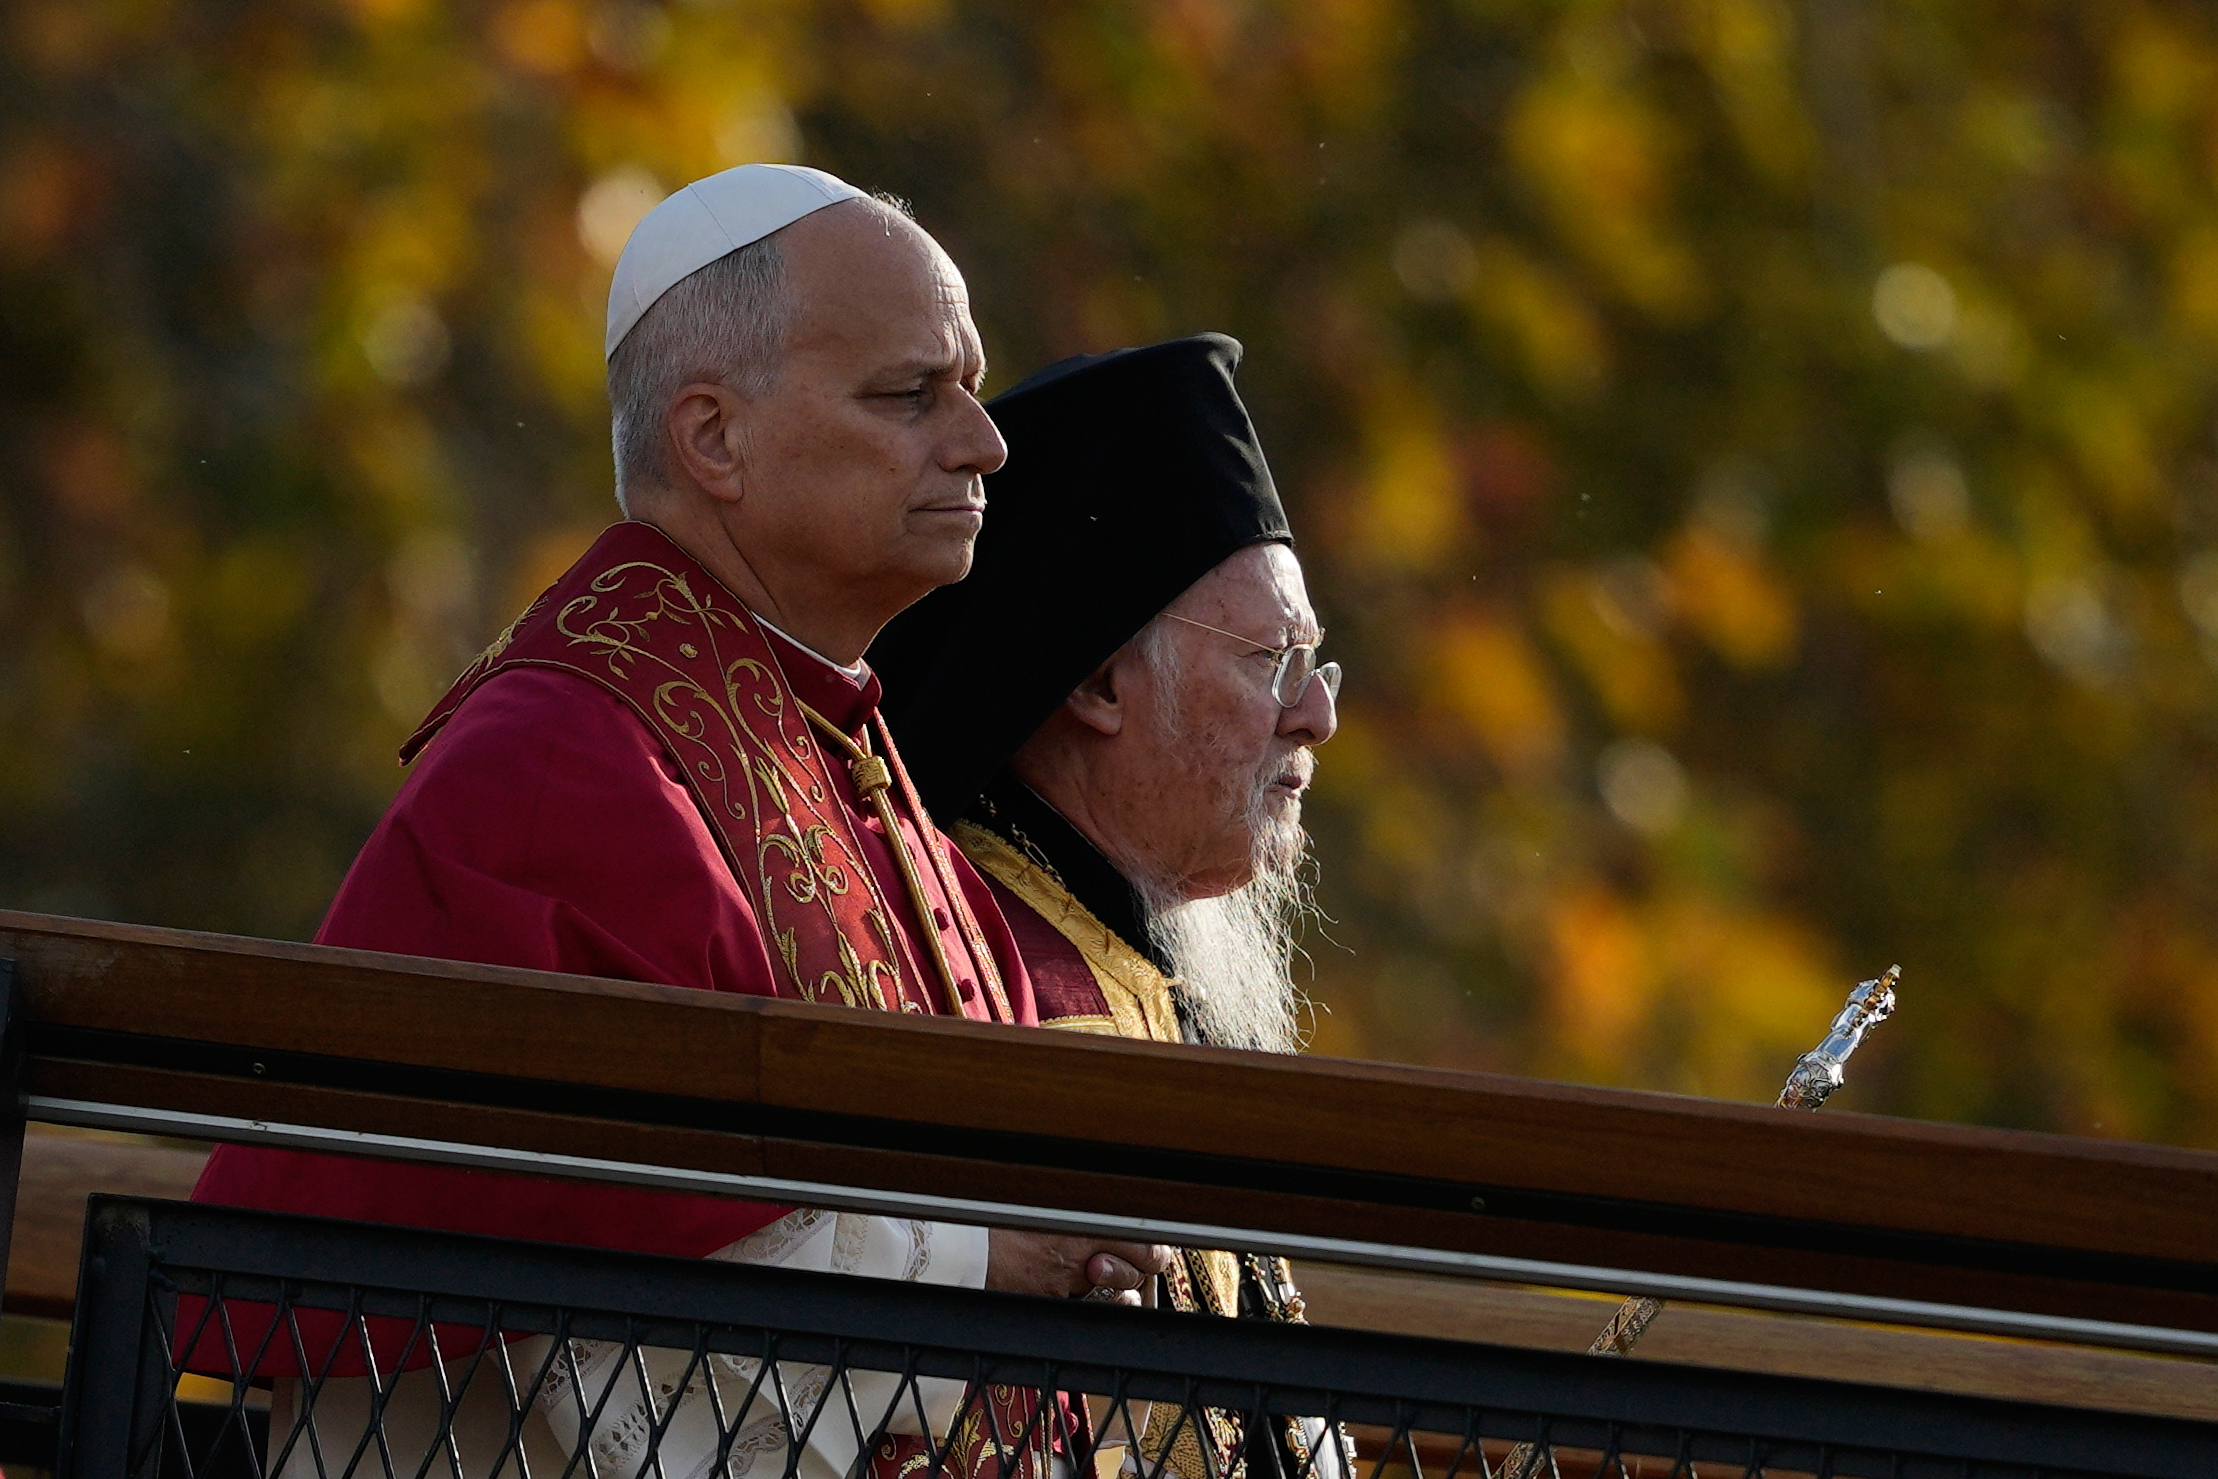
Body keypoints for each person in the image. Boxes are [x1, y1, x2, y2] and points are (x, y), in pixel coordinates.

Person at [187, 163, 1166, 1478]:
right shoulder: (556, 758)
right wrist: (987, 1259)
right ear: (713, 437)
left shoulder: (843, 749)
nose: (984, 442)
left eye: (970, 388)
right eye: (909, 393)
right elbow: (575, 1254)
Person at [870, 333, 1346, 1479]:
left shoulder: (1128, 961)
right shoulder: (995, 972)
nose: (1315, 718)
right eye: (1270, 662)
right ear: (1094, 682)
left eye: (1317, 663)